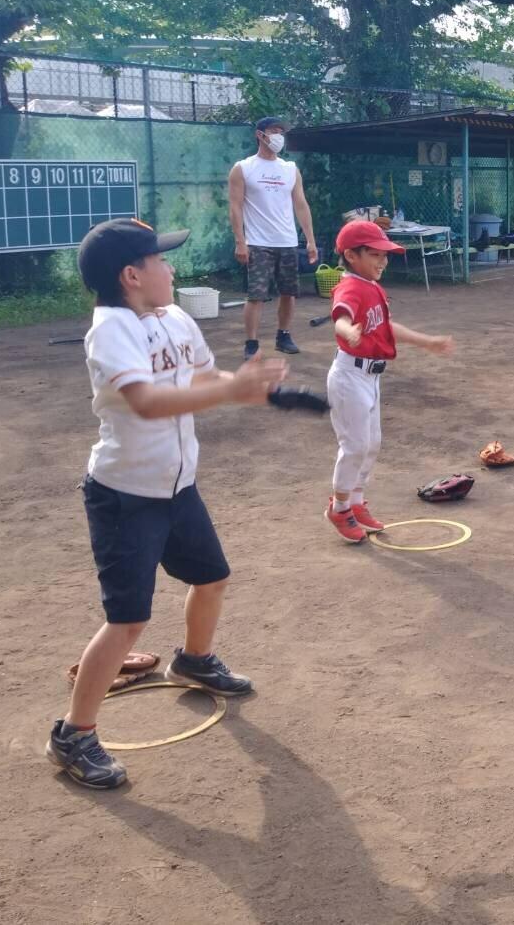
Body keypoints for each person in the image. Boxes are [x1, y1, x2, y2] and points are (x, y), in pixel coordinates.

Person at [49, 219, 289, 789]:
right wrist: (229, 391)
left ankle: (195, 660)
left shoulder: (176, 317)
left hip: (177, 486)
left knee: (212, 577)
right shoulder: (109, 331)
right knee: (127, 620)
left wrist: (245, 382)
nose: (171, 268)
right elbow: (150, 403)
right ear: (132, 276)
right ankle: (73, 734)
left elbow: (204, 376)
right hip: (125, 497)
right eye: (160, 261)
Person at [325, 220, 455, 542]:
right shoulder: (350, 287)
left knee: (371, 444)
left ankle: (355, 503)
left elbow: (387, 328)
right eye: (375, 254)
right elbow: (340, 319)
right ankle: (339, 509)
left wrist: (426, 342)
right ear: (352, 256)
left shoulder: (373, 287)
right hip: (349, 377)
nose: (383, 261)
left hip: (369, 378)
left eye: (385, 255)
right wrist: (348, 331)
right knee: (354, 446)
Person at [228, 117, 318, 359]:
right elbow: (235, 206)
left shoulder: (290, 169)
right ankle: (251, 343)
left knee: (289, 293)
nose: (279, 136)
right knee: (256, 295)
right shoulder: (243, 168)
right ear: (260, 135)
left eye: (281, 131)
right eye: (273, 131)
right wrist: (240, 241)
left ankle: (283, 336)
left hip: (287, 242)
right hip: (257, 243)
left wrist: (309, 240)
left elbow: (301, 204)